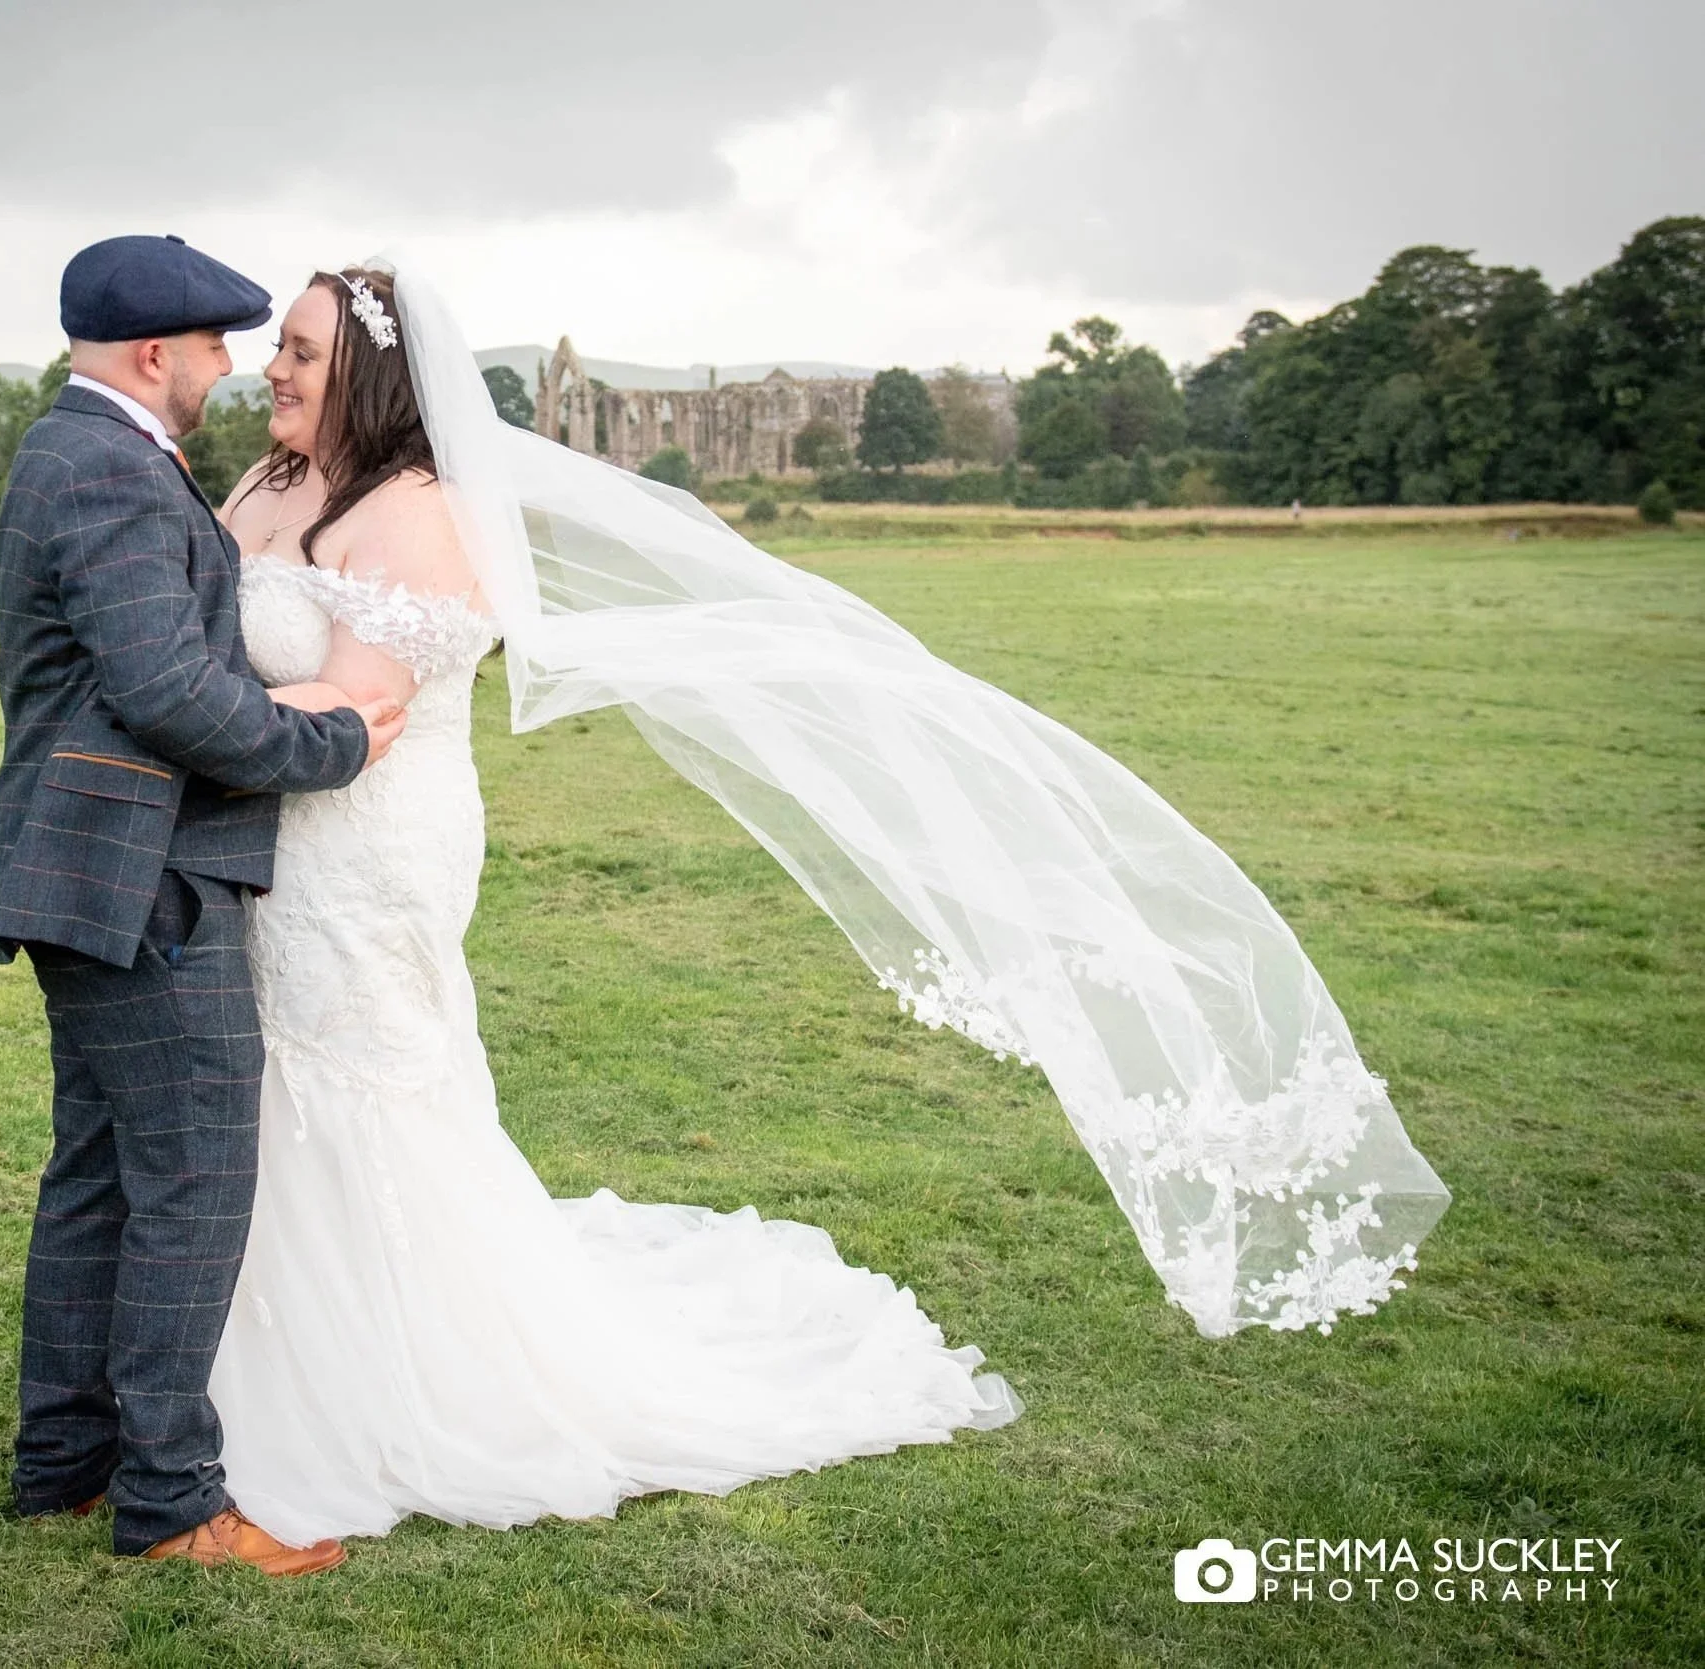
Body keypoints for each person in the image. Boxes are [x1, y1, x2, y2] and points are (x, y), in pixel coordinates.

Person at [197, 262, 1446, 1546]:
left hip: (368, 843)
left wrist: (167, 727)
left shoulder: (420, 514)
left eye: (297, 350)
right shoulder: (269, 484)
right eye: (277, 349)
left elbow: (364, 711)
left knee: (359, 1074)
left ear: (372, 369)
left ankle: (389, 1371)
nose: (272, 370)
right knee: (266, 1075)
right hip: (268, 838)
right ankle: (239, 1338)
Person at [0, 235, 405, 1576]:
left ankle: (65, 1462)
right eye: (218, 347)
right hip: (142, 873)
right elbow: (165, 686)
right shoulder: (106, 465)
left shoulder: (83, 452)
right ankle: (171, 1501)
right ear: (154, 355)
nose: (230, 370)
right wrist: (326, 748)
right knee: (192, 1180)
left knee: (102, 1174)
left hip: (96, 863)